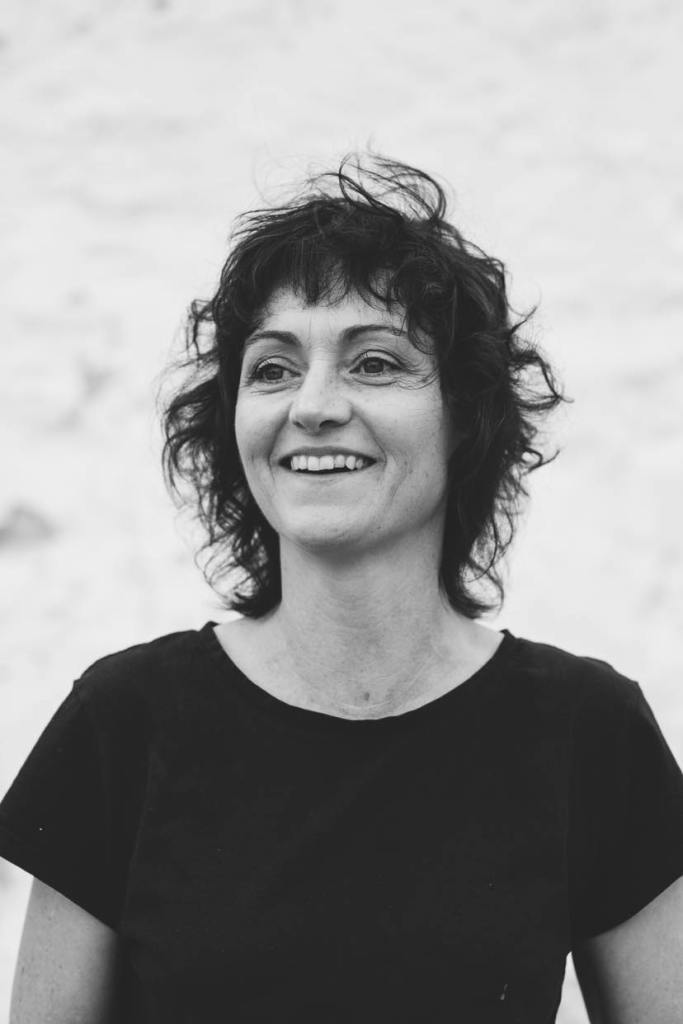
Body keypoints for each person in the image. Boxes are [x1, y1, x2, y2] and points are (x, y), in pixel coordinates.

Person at [1, 155, 683, 1024]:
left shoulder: (588, 733)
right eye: (274, 369)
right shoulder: (124, 722)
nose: (312, 405)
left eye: (373, 362)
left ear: (464, 420)